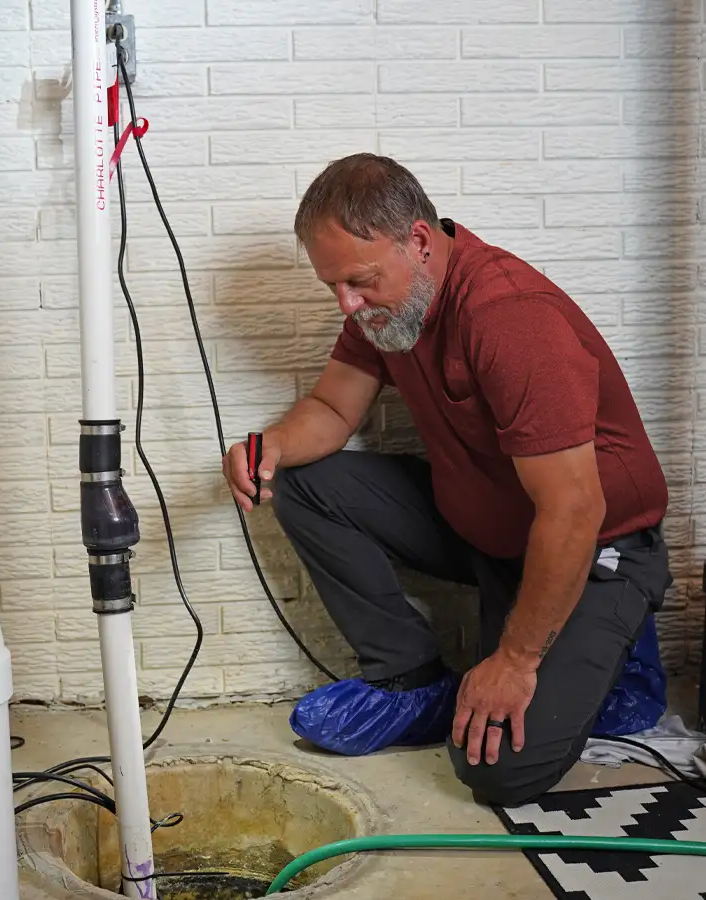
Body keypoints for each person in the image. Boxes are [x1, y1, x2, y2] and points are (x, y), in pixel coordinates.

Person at [222, 153, 672, 808]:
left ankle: (621, 652)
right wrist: (270, 448)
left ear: (421, 242)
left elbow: (573, 511)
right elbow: (330, 410)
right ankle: (412, 679)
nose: (347, 304)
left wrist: (515, 662)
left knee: (497, 770)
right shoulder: (389, 307)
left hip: (589, 548)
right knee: (308, 483)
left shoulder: (511, 318)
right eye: (333, 287)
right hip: (491, 535)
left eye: (358, 281)